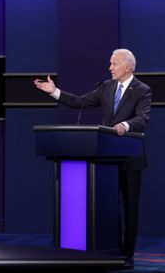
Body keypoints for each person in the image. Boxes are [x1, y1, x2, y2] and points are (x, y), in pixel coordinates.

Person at [34, 48, 152, 267]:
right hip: (106, 157)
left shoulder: (142, 90)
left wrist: (124, 126)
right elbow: (81, 101)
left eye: (114, 64)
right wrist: (54, 91)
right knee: (109, 206)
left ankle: (128, 255)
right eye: (110, 63)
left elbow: (142, 119)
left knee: (130, 208)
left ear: (127, 66)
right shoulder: (106, 87)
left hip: (131, 157)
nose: (110, 68)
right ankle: (112, 250)